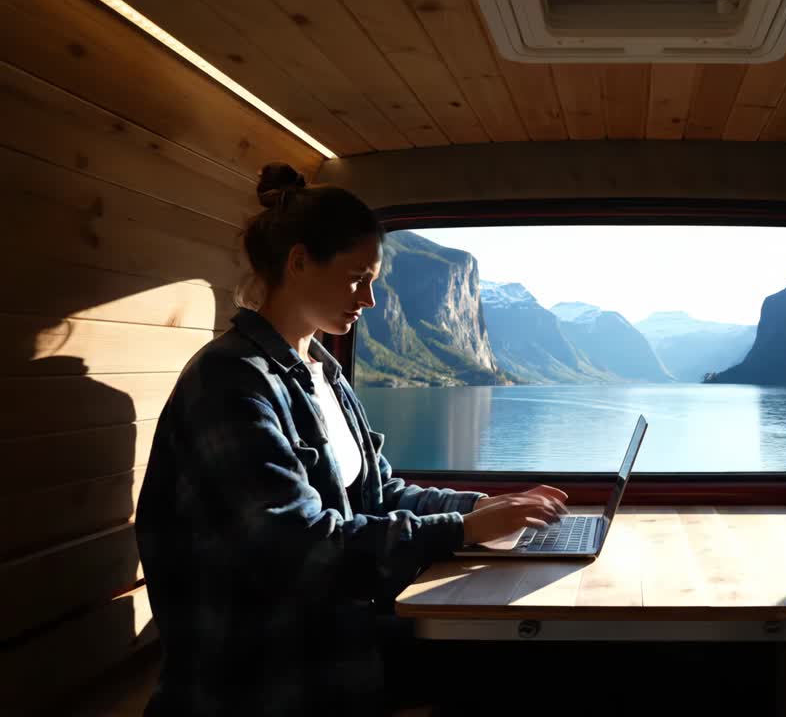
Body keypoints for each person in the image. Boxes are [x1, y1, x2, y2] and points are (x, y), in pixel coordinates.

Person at [135, 162, 568, 716]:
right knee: (517, 667)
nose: (367, 300)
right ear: (298, 262)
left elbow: (380, 493)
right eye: (357, 277)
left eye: (373, 281)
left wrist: (487, 507)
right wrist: (461, 529)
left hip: (330, 623)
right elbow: (297, 546)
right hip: (264, 664)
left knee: (523, 654)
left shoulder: (320, 370)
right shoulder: (229, 381)